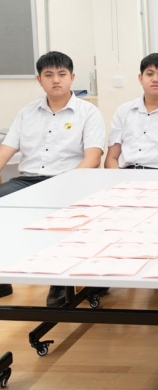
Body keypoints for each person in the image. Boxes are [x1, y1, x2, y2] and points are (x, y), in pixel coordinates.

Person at [0, 51, 105, 307]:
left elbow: (93, 158)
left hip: (69, 181)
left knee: (64, 213)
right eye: (48, 75)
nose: (55, 80)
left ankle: (60, 283)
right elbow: (5, 151)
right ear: (39, 80)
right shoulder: (27, 113)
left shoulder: (88, 113)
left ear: (72, 77)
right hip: (28, 181)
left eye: (61, 74)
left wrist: (64, 184)